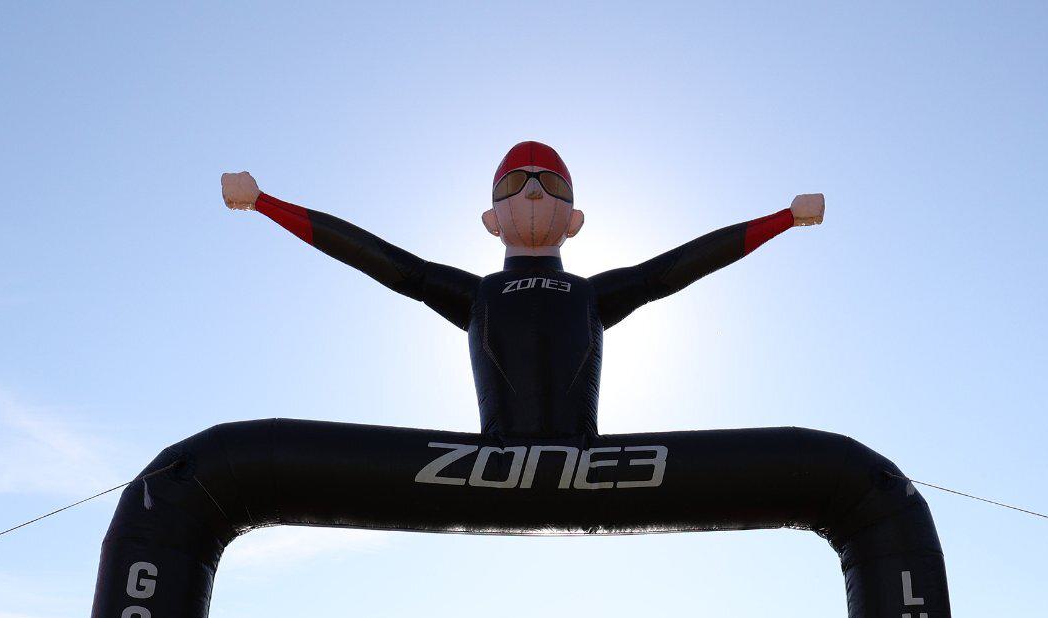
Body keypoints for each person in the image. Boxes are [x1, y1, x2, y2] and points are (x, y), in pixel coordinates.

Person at [221, 141, 823, 438]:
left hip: (572, 455)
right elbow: (381, 259)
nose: (534, 192)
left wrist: (784, 218)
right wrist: (267, 203)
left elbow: (676, 268)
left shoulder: (591, 294)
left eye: (551, 186)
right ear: (491, 220)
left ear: (574, 220)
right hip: (503, 453)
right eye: (516, 183)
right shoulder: (477, 294)